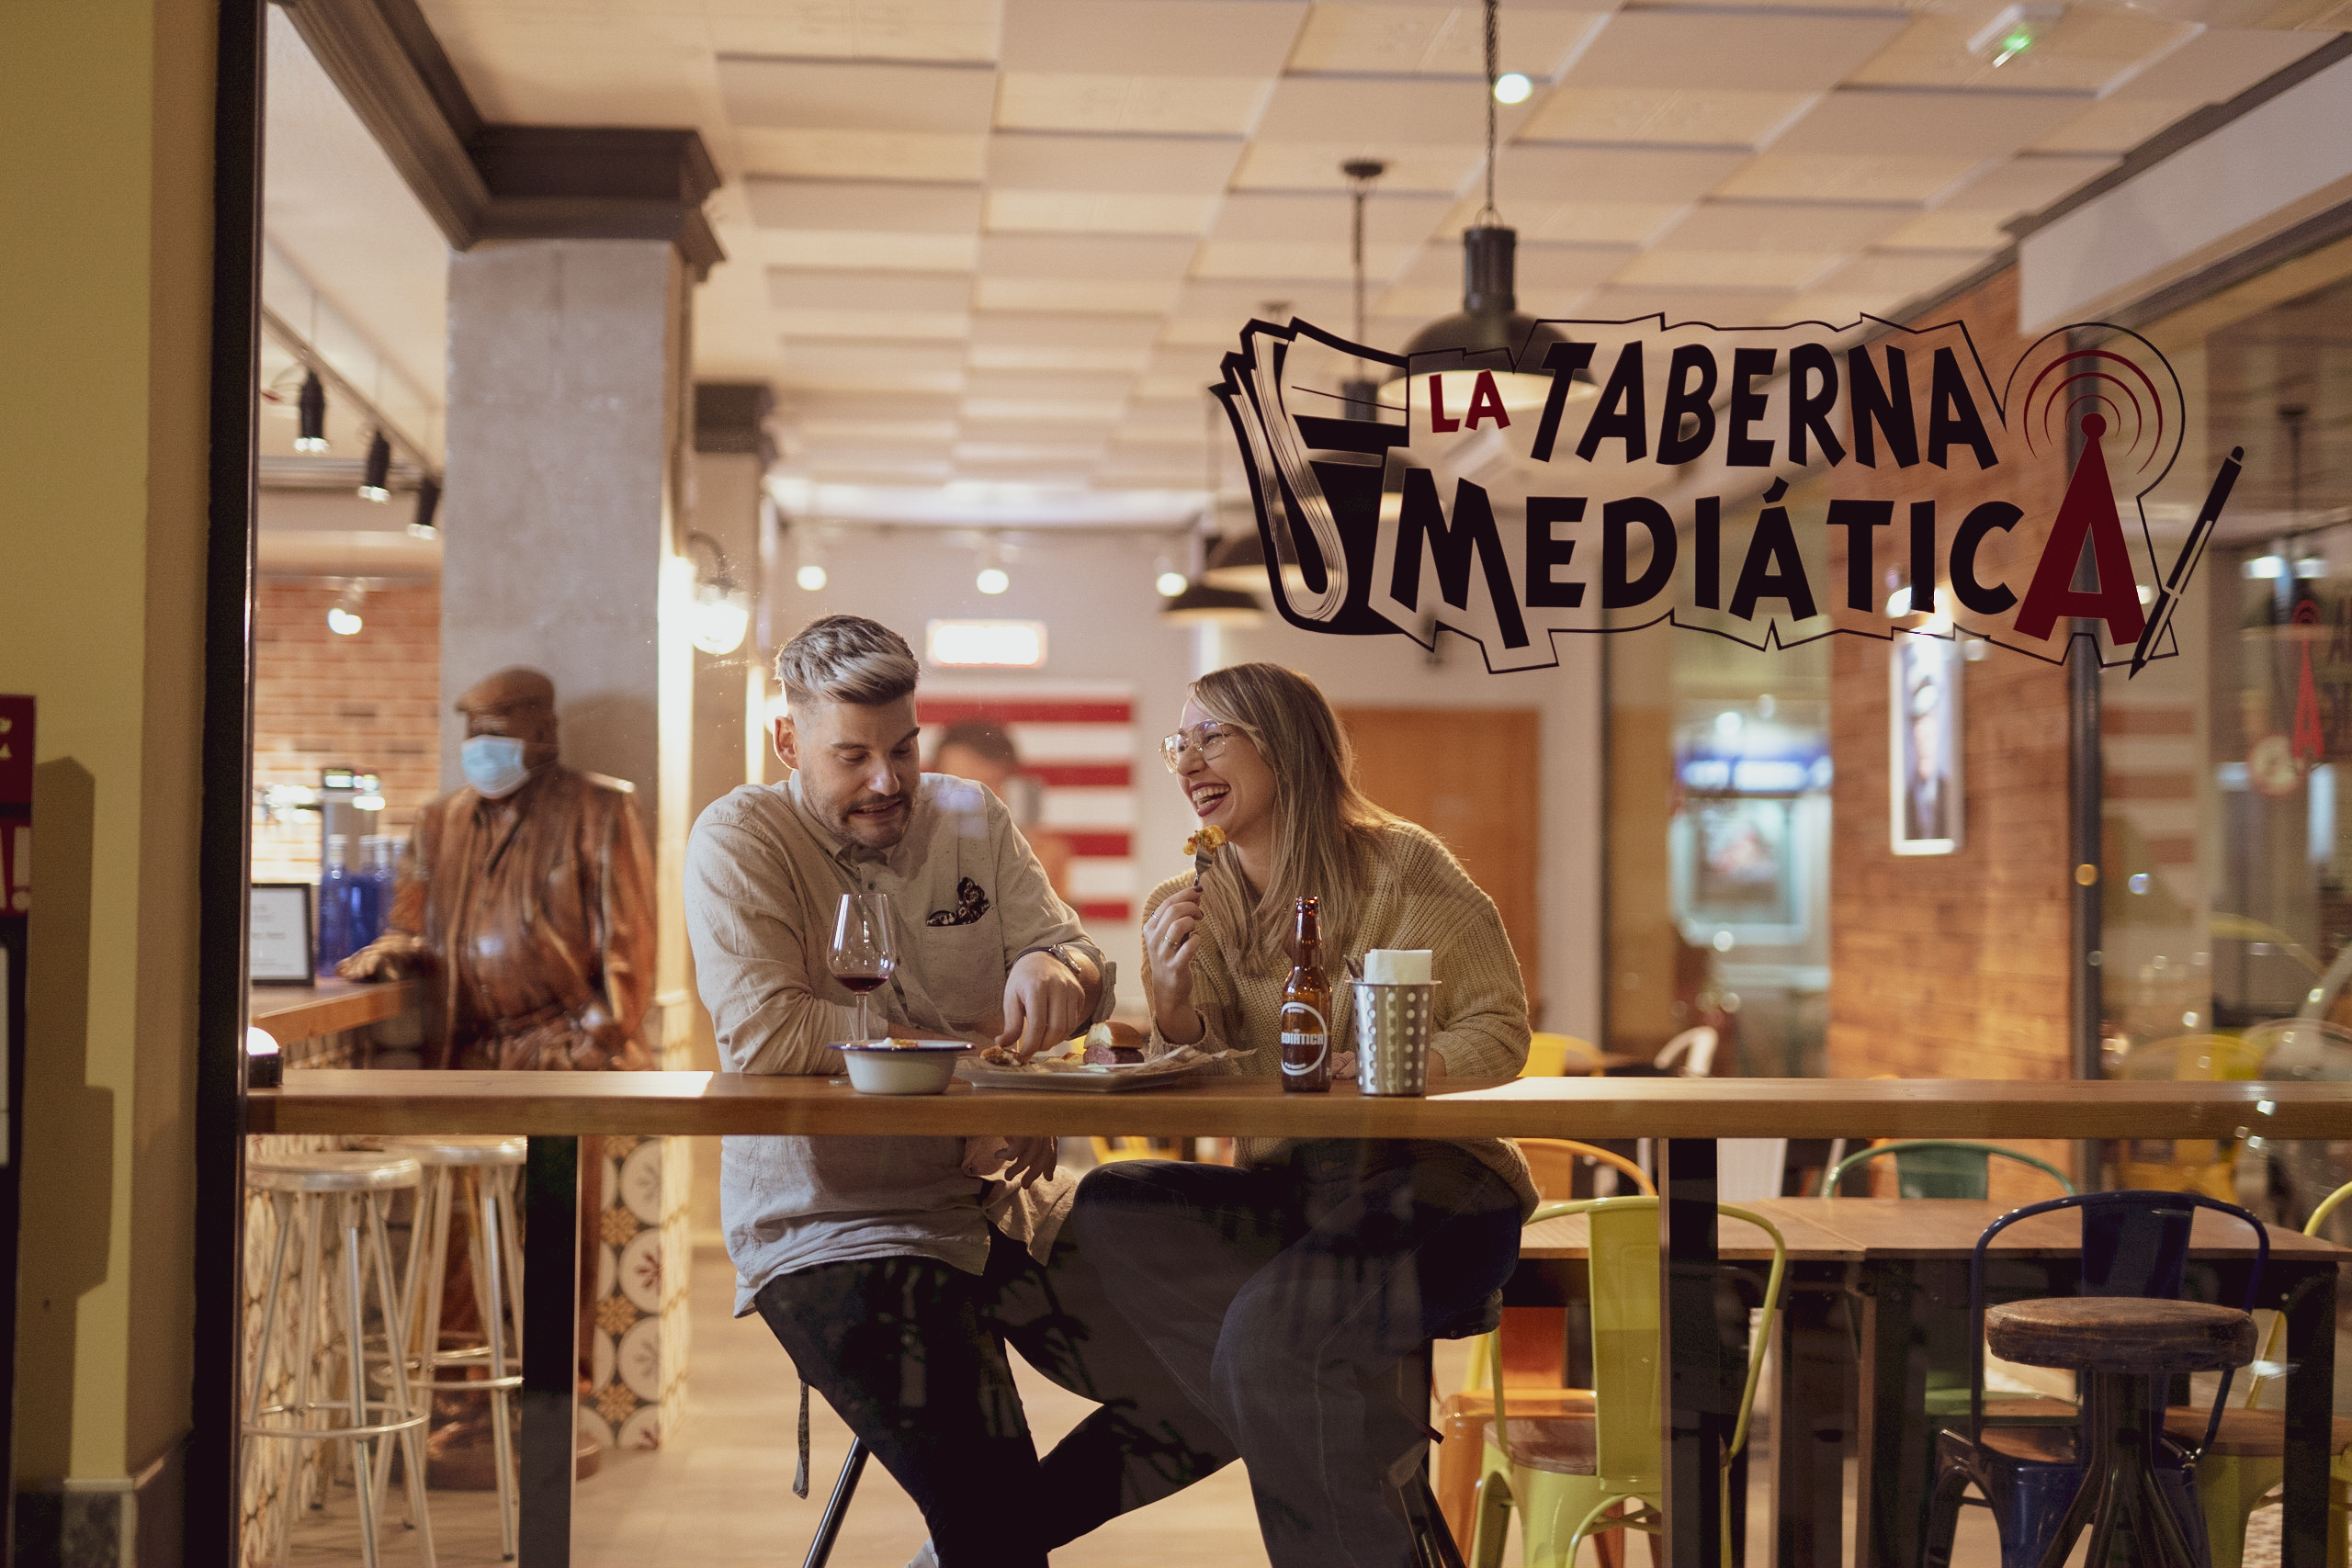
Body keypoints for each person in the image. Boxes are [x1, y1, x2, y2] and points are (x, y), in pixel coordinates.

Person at [683, 615, 1231, 1568]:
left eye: (902, 748)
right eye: (852, 757)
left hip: (1000, 1207)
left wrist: (1059, 975)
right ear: (788, 741)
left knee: (1226, 1382)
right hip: (835, 1230)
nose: (887, 781)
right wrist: (981, 1078)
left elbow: (1083, 963)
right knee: (992, 1511)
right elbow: (770, 1033)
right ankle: (987, 1540)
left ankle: (973, 1548)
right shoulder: (739, 837)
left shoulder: (971, 816)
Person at [1070, 661, 1537, 1568]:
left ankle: (1293, 1395)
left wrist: (1407, 1067)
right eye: (1179, 744)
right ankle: (1344, 1421)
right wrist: (1172, 1010)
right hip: (1297, 1190)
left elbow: (1501, 1028)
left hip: (1440, 1187)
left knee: (1266, 1349)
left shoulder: (1404, 868)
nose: (1187, 761)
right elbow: (1200, 1080)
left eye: (1212, 737)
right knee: (1112, 1200)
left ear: (1284, 748)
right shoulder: (1185, 903)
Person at [337, 665, 657, 1477]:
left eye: (499, 730)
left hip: (560, 1054)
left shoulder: (598, 807)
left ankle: (551, 1399)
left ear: (542, 731)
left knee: (556, 1230)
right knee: (460, 1238)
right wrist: (395, 947)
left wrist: (599, 1038)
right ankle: (464, 1404)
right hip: (472, 1052)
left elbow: (629, 937)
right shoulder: (441, 819)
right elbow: (414, 913)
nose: (482, 747)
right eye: (472, 731)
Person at [930, 717, 1075, 899]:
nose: (974, 798)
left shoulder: (1043, 854)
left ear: (1013, 786)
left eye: (988, 784)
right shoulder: (911, 853)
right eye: (958, 784)